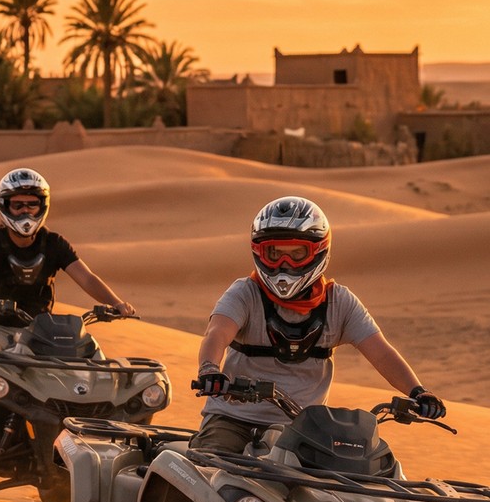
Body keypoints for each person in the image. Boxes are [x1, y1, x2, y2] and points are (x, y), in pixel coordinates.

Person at [190, 195, 445, 455]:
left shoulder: (340, 302)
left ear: (319, 250)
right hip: (234, 421)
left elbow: (381, 352)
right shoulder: (245, 293)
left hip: (303, 429)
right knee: (211, 468)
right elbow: (217, 333)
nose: (284, 264)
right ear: (259, 252)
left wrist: (418, 391)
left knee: (350, 482)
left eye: (297, 253)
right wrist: (210, 369)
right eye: (275, 253)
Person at [0, 167, 135, 348]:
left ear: (42, 205)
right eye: (18, 205)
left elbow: (87, 279)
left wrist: (116, 303)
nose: (25, 211)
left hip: (42, 333)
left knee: (90, 355)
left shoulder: (53, 243)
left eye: (32, 204)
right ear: (5, 206)